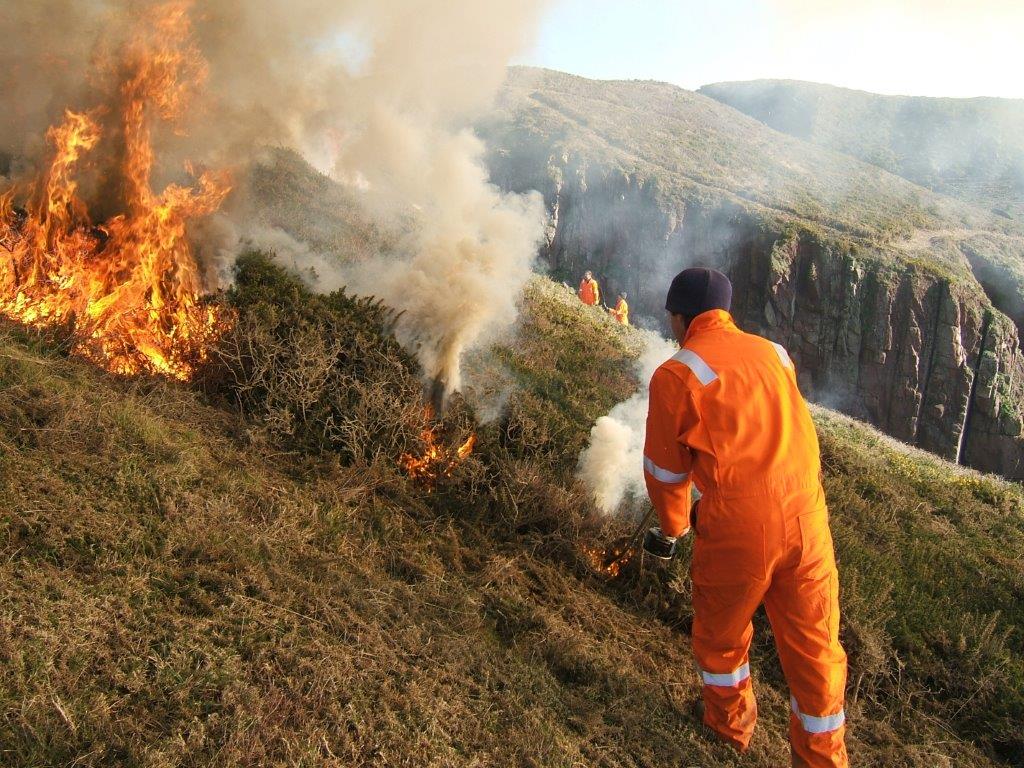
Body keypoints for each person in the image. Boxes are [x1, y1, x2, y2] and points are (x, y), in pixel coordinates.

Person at [642, 267, 848, 768]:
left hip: (741, 526)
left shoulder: (676, 373)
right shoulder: (774, 353)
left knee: (721, 640)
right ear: (726, 312)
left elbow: (666, 471)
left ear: (679, 316)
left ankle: (729, 733)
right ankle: (824, 761)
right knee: (816, 652)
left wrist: (673, 530)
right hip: (809, 517)